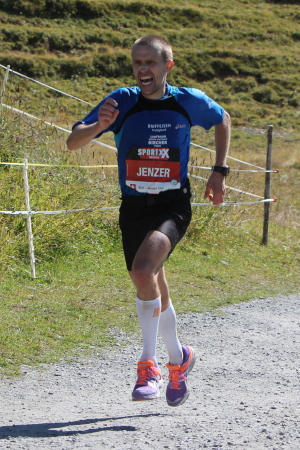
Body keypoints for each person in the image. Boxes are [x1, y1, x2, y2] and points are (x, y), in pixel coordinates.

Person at [67, 34, 231, 407]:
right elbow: (73, 142)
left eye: (150, 62)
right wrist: (98, 125)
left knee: (143, 270)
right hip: (133, 206)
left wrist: (219, 171)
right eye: (137, 62)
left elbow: (222, 118)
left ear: (167, 66)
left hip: (173, 205)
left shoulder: (187, 101)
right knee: (151, 281)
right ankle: (179, 358)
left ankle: (148, 366)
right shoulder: (122, 101)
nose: (143, 69)